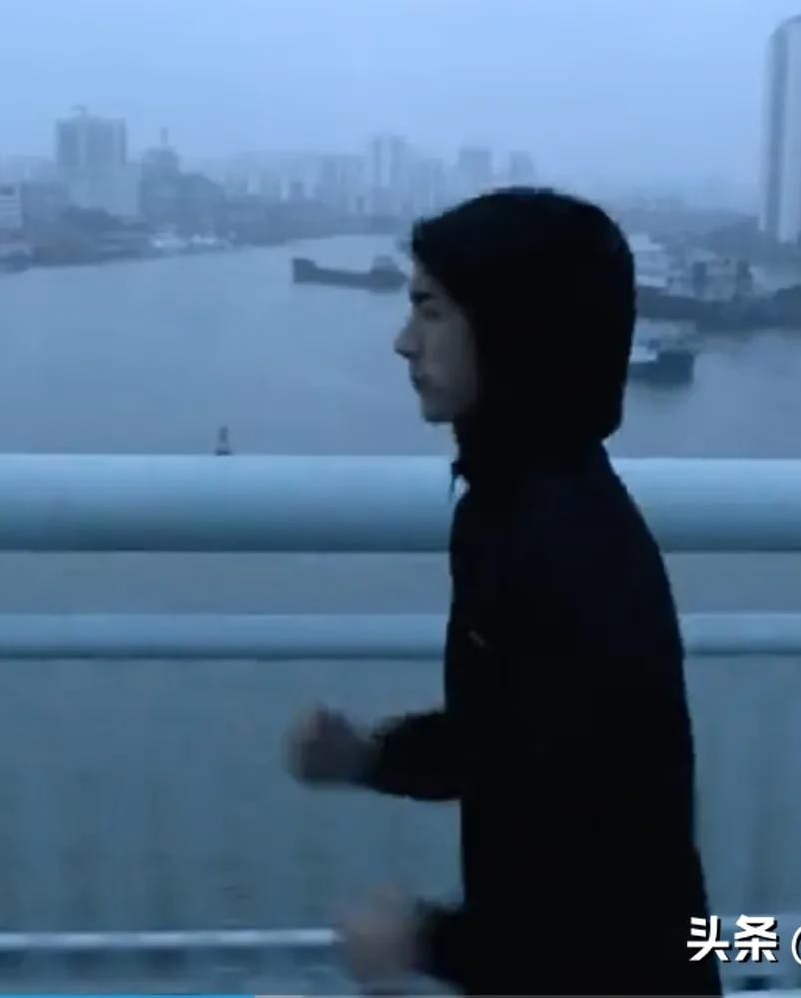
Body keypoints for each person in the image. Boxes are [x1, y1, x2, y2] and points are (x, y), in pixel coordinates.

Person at [285, 188, 721, 995]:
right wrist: (368, 757)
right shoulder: (512, 507)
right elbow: (506, 739)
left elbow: (605, 885)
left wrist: (424, 940)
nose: (403, 341)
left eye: (430, 311)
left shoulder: (561, 548)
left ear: (511, 329)